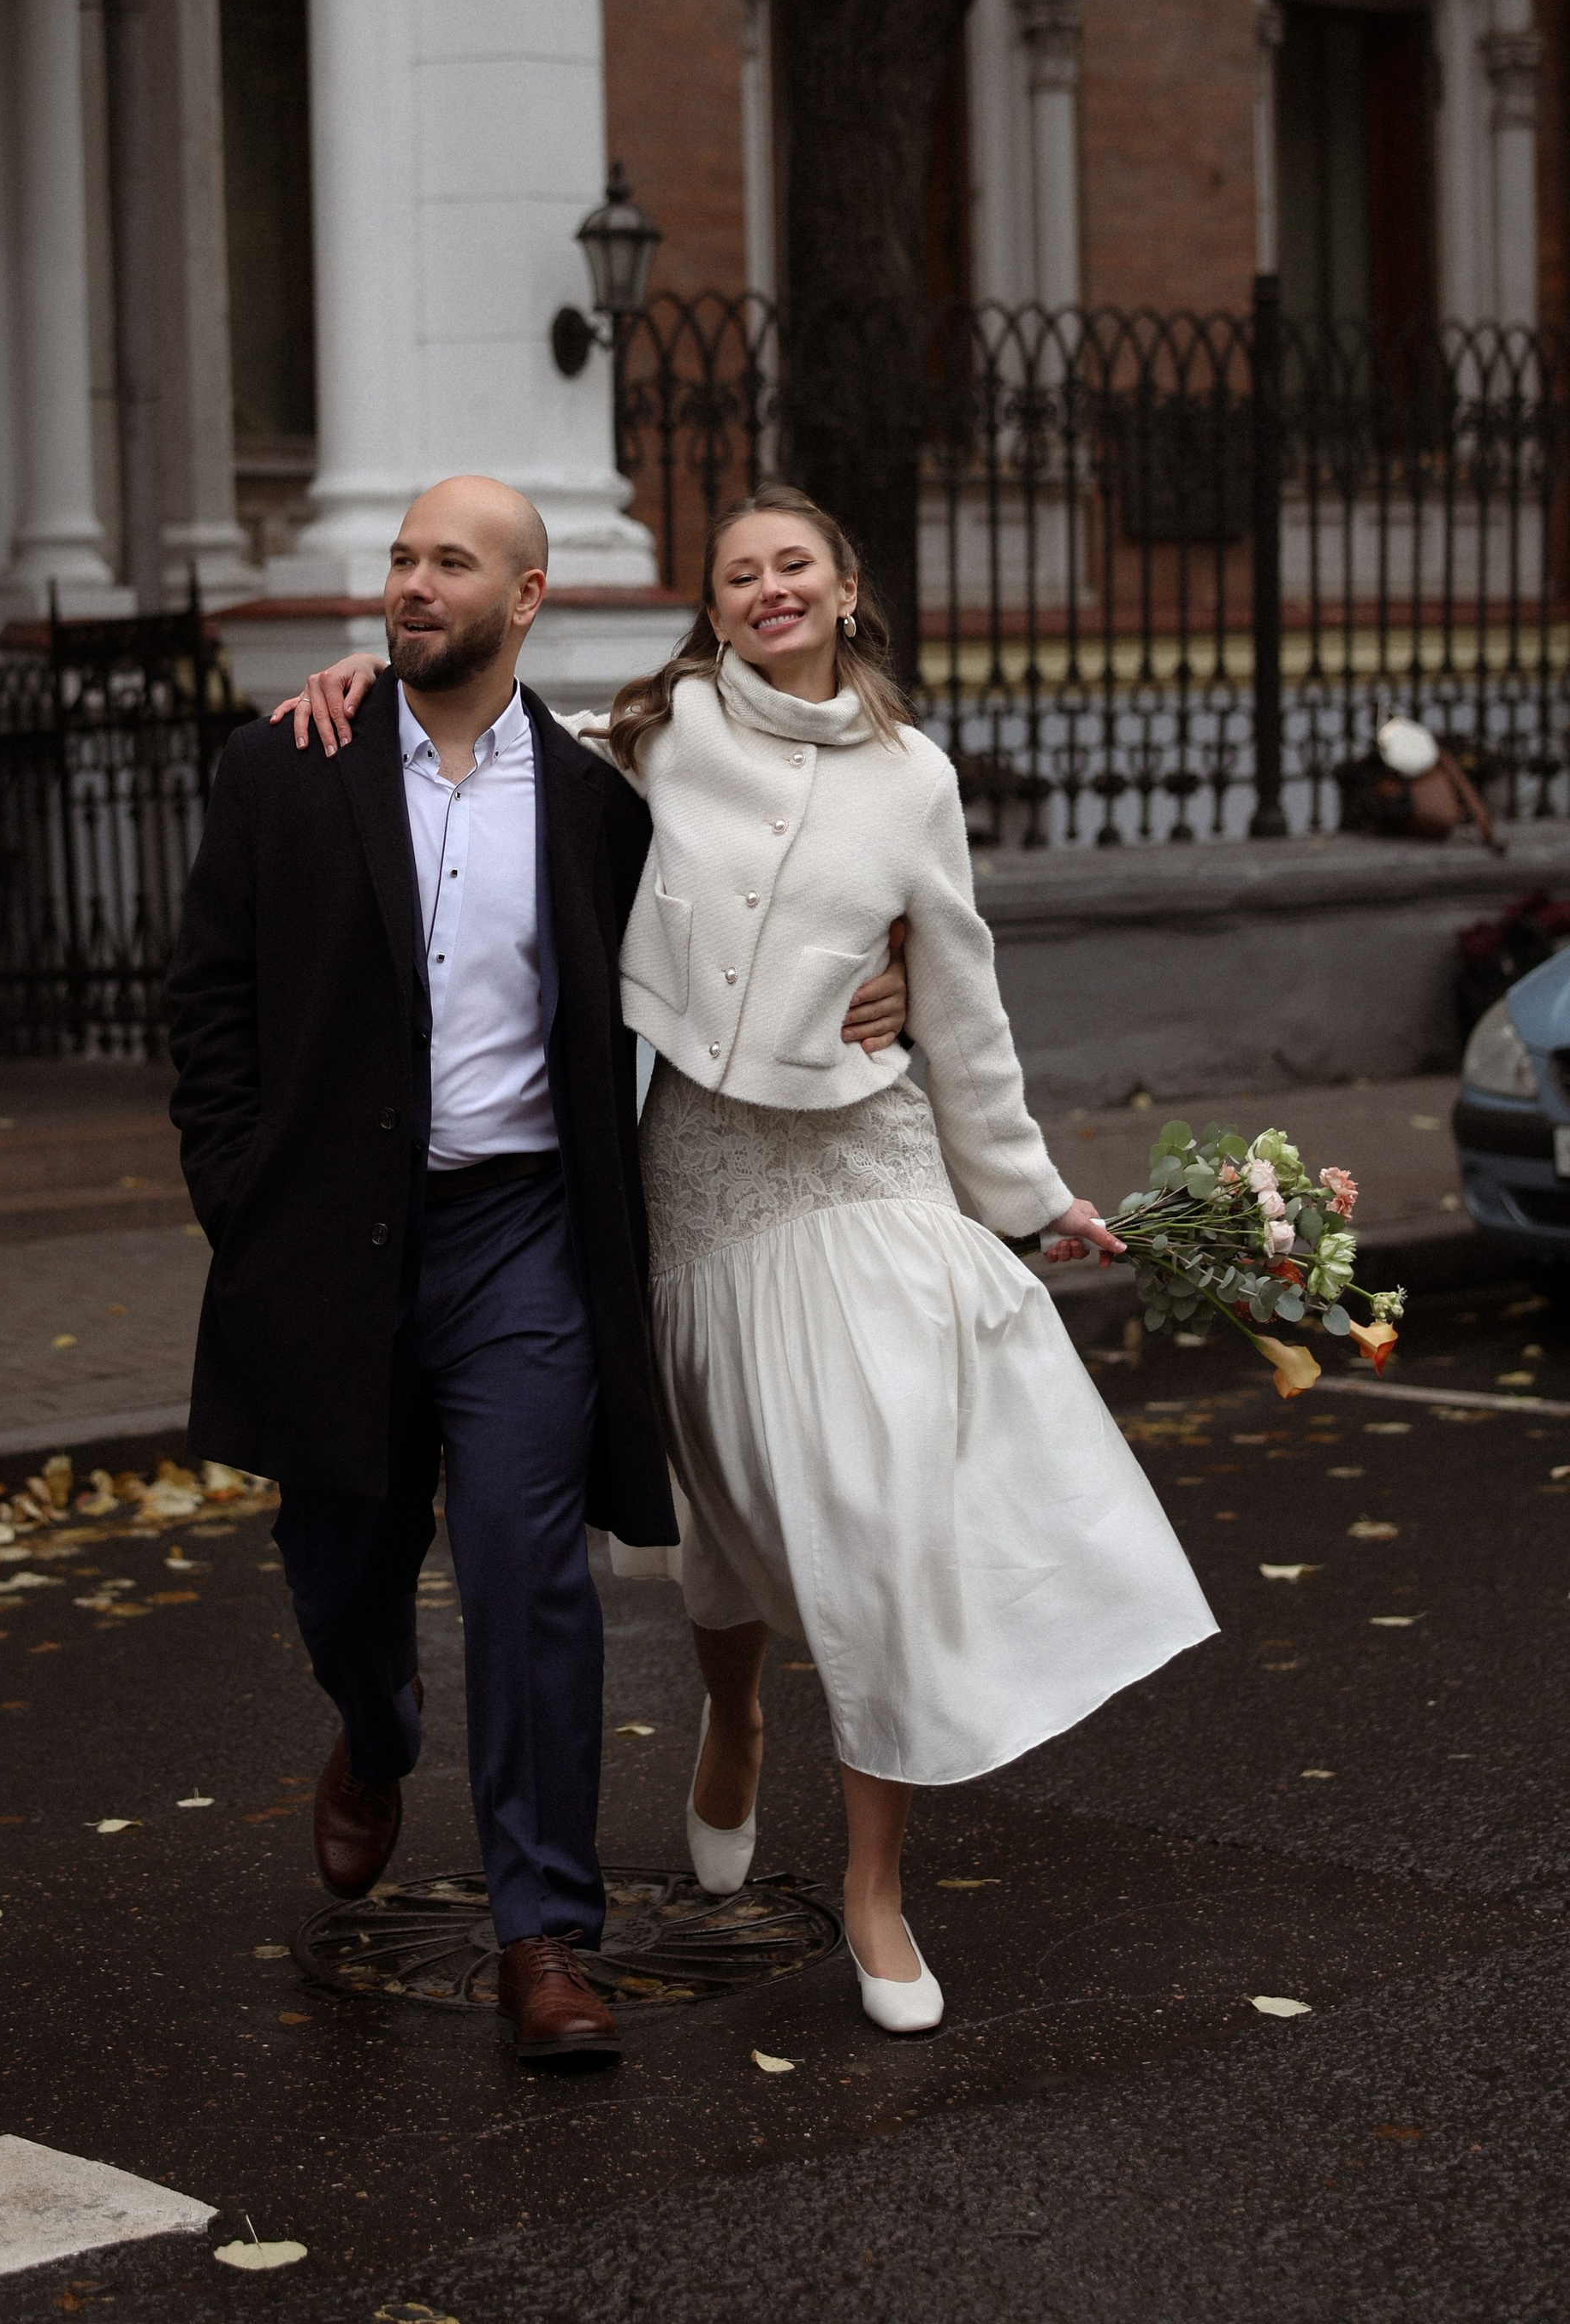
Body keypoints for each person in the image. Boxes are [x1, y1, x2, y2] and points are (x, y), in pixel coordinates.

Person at [284, 483, 1217, 2037]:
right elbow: (476, 737)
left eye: (796, 565)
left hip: (868, 1164)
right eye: (739, 575)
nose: (769, 589)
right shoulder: (656, 735)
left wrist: (1025, 1189)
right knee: (722, 1512)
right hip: (701, 1183)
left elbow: (966, 998)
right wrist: (357, 687)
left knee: (873, 1512)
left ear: (848, 590)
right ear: (711, 612)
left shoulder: (917, 781)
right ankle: (732, 1710)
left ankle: (871, 1890)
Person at [167, 475, 904, 2064]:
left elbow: (762, 898)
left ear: (528, 600)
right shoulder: (285, 767)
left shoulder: (596, 805)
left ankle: (547, 1936)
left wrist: (879, 973)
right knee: (343, 1572)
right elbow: (209, 1010)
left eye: (453, 563)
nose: (415, 584)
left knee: (528, 1575)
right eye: (404, 557)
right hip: (335, 1246)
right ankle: (374, 1734)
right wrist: (244, 1200)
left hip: (521, 1239)